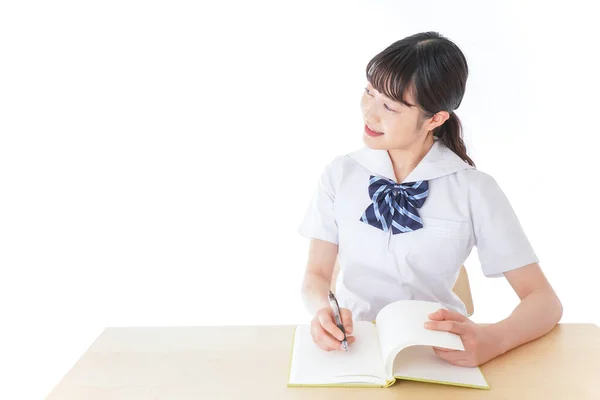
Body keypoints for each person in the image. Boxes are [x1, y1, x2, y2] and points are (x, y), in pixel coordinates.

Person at [298, 31, 563, 368]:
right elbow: (316, 276)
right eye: (369, 92)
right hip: (353, 350)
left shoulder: (474, 189)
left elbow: (544, 302)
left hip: (439, 354)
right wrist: (323, 311)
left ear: (435, 119)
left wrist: (493, 340)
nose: (369, 112)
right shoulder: (340, 173)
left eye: (389, 106)